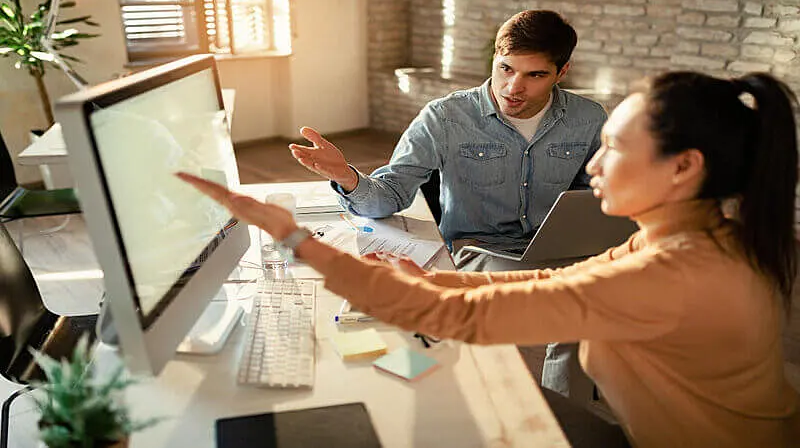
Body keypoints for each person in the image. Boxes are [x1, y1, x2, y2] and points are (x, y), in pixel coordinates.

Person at [179, 70, 800, 446]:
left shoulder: (671, 275)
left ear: (684, 167)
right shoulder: (687, 233)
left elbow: (471, 324)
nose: (592, 165)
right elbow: (559, 278)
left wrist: (293, 238)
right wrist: (444, 286)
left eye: (613, 147)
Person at [289, 10, 607, 249]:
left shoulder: (589, 118)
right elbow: (392, 196)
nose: (513, 87)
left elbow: (595, 198)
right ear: (495, 58)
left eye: (534, 75)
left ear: (561, 72)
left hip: (561, 252)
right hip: (480, 252)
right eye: (506, 69)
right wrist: (346, 177)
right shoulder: (445, 117)